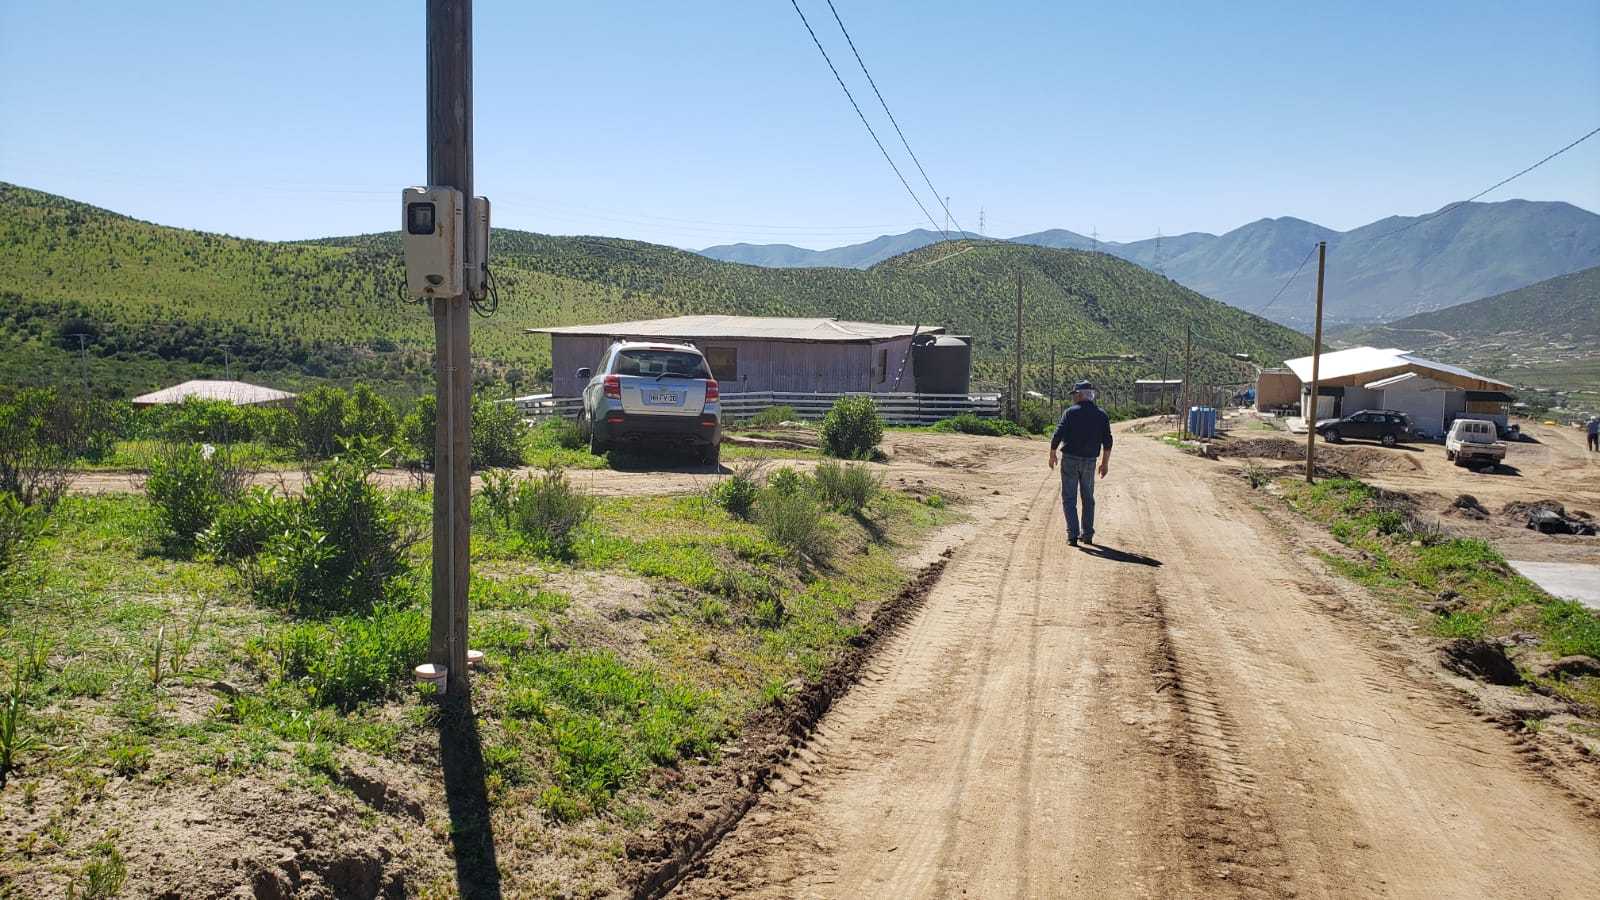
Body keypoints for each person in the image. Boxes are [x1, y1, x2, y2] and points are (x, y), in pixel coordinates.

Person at [1048, 381, 1113, 546]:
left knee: (1069, 497)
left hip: (1070, 459)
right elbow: (1108, 442)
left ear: (1080, 394)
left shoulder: (1070, 413)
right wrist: (1104, 464)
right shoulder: (1102, 415)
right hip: (1090, 462)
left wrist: (1052, 453)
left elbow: (1058, 433)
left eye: (1074, 394)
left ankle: (1072, 535)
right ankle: (1087, 535)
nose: (1073, 398)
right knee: (1088, 498)